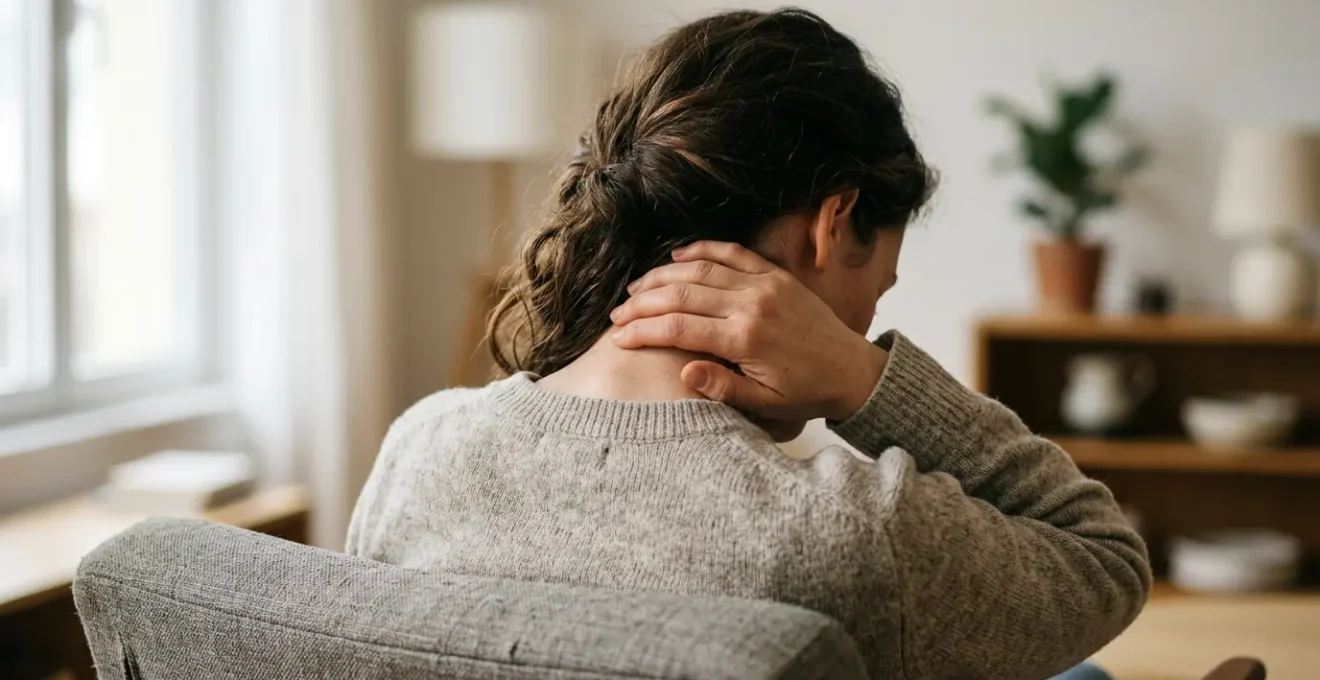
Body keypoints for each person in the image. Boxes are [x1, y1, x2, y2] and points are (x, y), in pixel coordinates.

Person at [347, 8, 1150, 679]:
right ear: (831, 227)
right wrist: (868, 379)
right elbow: (1105, 554)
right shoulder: (847, 535)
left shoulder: (420, 450)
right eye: (878, 290)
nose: (867, 320)